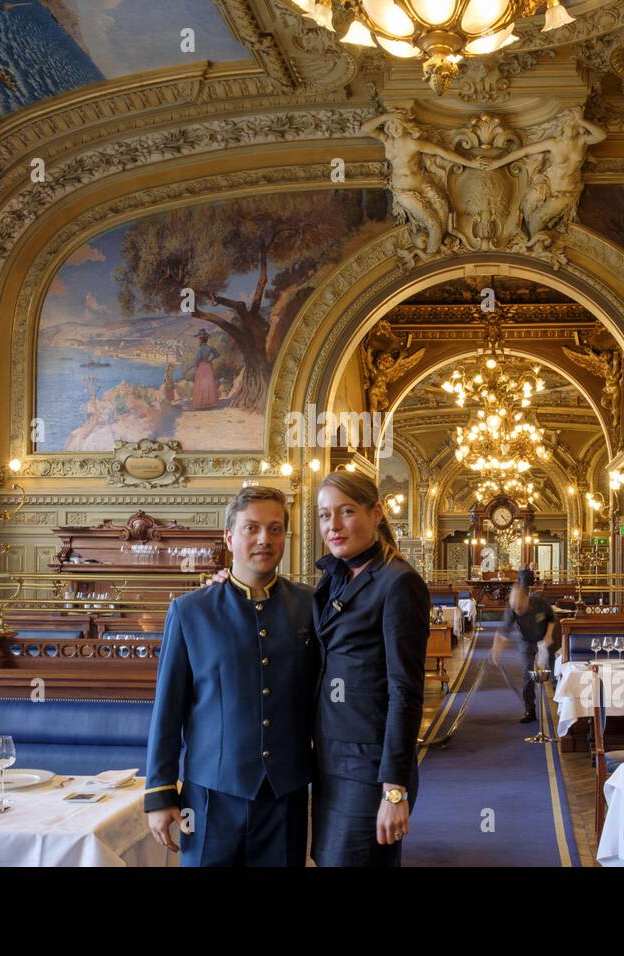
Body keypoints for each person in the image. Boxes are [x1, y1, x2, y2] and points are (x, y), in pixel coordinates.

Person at [144, 485, 317, 866]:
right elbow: (168, 709)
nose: (264, 539)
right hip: (210, 796)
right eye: (251, 528)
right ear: (228, 536)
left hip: (284, 794)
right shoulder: (191, 611)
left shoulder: (310, 606)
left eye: (275, 529)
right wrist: (159, 793)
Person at [312, 471, 430, 867]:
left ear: (376, 513)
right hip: (327, 758)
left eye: (346, 512)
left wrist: (394, 789)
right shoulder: (333, 578)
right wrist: (228, 582)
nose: (334, 525)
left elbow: (406, 691)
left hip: (370, 766)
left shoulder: (398, 583)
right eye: (325, 515)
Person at [500, 568, 559, 723]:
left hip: (547, 639)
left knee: (554, 673)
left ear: (527, 600)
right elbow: (503, 631)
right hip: (527, 642)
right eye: (515, 608)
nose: (517, 611)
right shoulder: (513, 608)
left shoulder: (539, 602)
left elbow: (553, 617)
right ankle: (529, 710)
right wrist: (496, 649)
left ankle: (561, 707)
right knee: (528, 676)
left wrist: (547, 636)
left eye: (520, 607)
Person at [190, 329, 221, 410]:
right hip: (208, 366)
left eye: (199, 339)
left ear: (201, 339)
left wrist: (196, 365)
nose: (199, 341)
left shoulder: (199, 349)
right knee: (208, 383)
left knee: (201, 384)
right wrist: (210, 359)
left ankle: (201, 403)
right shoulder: (210, 348)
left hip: (201, 367)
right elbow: (217, 354)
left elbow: (196, 360)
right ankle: (210, 403)